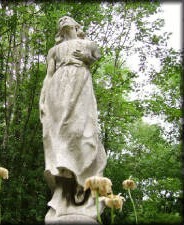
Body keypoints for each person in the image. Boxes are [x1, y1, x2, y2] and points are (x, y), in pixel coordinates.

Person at [39, 16, 107, 221]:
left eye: (68, 19)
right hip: (58, 90)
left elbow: (96, 56)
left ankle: (83, 188)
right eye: (60, 20)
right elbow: (49, 76)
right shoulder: (54, 51)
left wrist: (87, 56)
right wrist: (43, 99)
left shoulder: (87, 43)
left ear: (77, 26)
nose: (62, 20)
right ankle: (64, 193)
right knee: (58, 137)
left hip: (80, 86)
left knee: (82, 133)